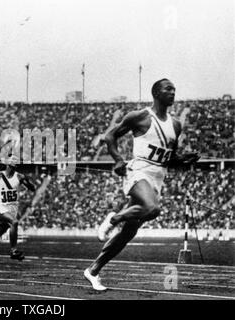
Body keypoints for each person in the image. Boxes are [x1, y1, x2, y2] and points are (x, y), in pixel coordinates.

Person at [84, 79, 200, 291]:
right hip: (137, 171)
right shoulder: (140, 116)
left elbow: (168, 158)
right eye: (168, 89)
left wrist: (183, 159)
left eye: (174, 89)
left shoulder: (175, 125)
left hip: (157, 178)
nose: (173, 92)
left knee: (128, 233)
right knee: (152, 208)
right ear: (156, 93)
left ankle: (93, 271)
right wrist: (118, 159)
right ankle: (114, 218)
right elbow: (110, 136)